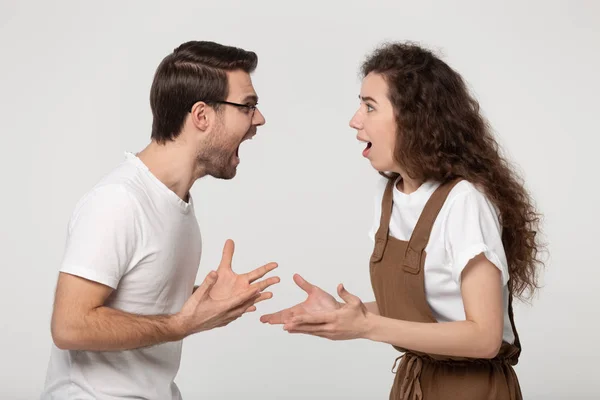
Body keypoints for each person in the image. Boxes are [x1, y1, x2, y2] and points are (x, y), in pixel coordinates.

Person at [261, 42, 544, 399]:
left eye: (369, 106)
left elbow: (484, 337)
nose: (354, 120)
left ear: (414, 119)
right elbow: (429, 309)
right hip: (416, 384)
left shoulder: (464, 203)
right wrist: (343, 313)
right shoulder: (394, 195)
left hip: (470, 389)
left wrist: (367, 327)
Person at [42, 40, 280, 400]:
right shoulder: (119, 201)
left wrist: (204, 298)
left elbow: (140, 300)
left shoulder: (175, 204)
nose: (258, 118)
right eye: (247, 106)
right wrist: (182, 324)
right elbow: (69, 325)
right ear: (202, 116)